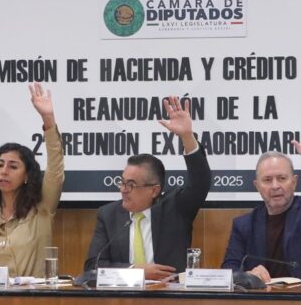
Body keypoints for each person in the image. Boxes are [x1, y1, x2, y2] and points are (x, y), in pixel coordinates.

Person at [84, 96, 210, 280]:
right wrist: (135, 271)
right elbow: (93, 267)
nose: (123, 189)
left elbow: (200, 182)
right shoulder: (109, 215)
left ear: (154, 190)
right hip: (123, 296)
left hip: (169, 293)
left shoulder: (176, 209)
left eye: (131, 185)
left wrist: (187, 137)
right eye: (122, 182)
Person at [221, 122, 301, 282]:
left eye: (282, 178)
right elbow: (228, 270)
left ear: (294, 182)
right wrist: (248, 275)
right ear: (257, 186)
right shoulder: (244, 225)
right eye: (267, 180)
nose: (275, 186)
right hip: (260, 296)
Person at [0, 83, 63, 278]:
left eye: (13, 167)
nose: (4, 171)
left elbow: (56, 170)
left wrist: (48, 119)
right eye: (0, 165)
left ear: (27, 176)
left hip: (34, 295)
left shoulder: (42, 208)